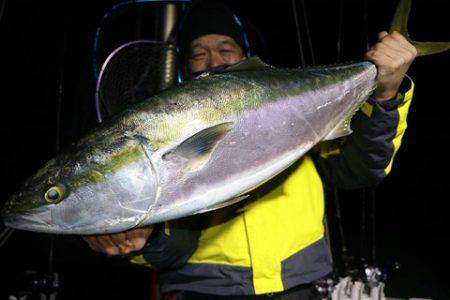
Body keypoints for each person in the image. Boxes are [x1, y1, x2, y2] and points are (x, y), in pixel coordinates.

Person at [84, 1, 416, 299]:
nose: (213, 59)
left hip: (302, 286)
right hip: (203, 290)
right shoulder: (171, 127)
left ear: (247, 59)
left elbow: (360, 170)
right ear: (186, 70)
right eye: (198, 53)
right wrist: (142, 239)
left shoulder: (293, 112)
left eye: (225, 48)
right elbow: (173, 248)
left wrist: (386, 95)